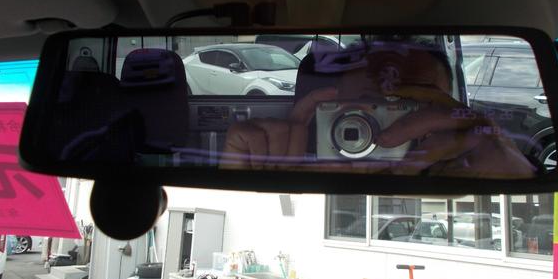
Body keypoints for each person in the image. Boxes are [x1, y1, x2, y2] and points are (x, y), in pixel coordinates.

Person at [221, 41, 537, 179]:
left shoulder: (458, 166)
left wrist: (509, 172)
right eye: (369, 106)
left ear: (447, 117)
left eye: (410, 111)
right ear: (324, 112)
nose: (377, 134)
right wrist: (252, 176)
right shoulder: (286, 162)